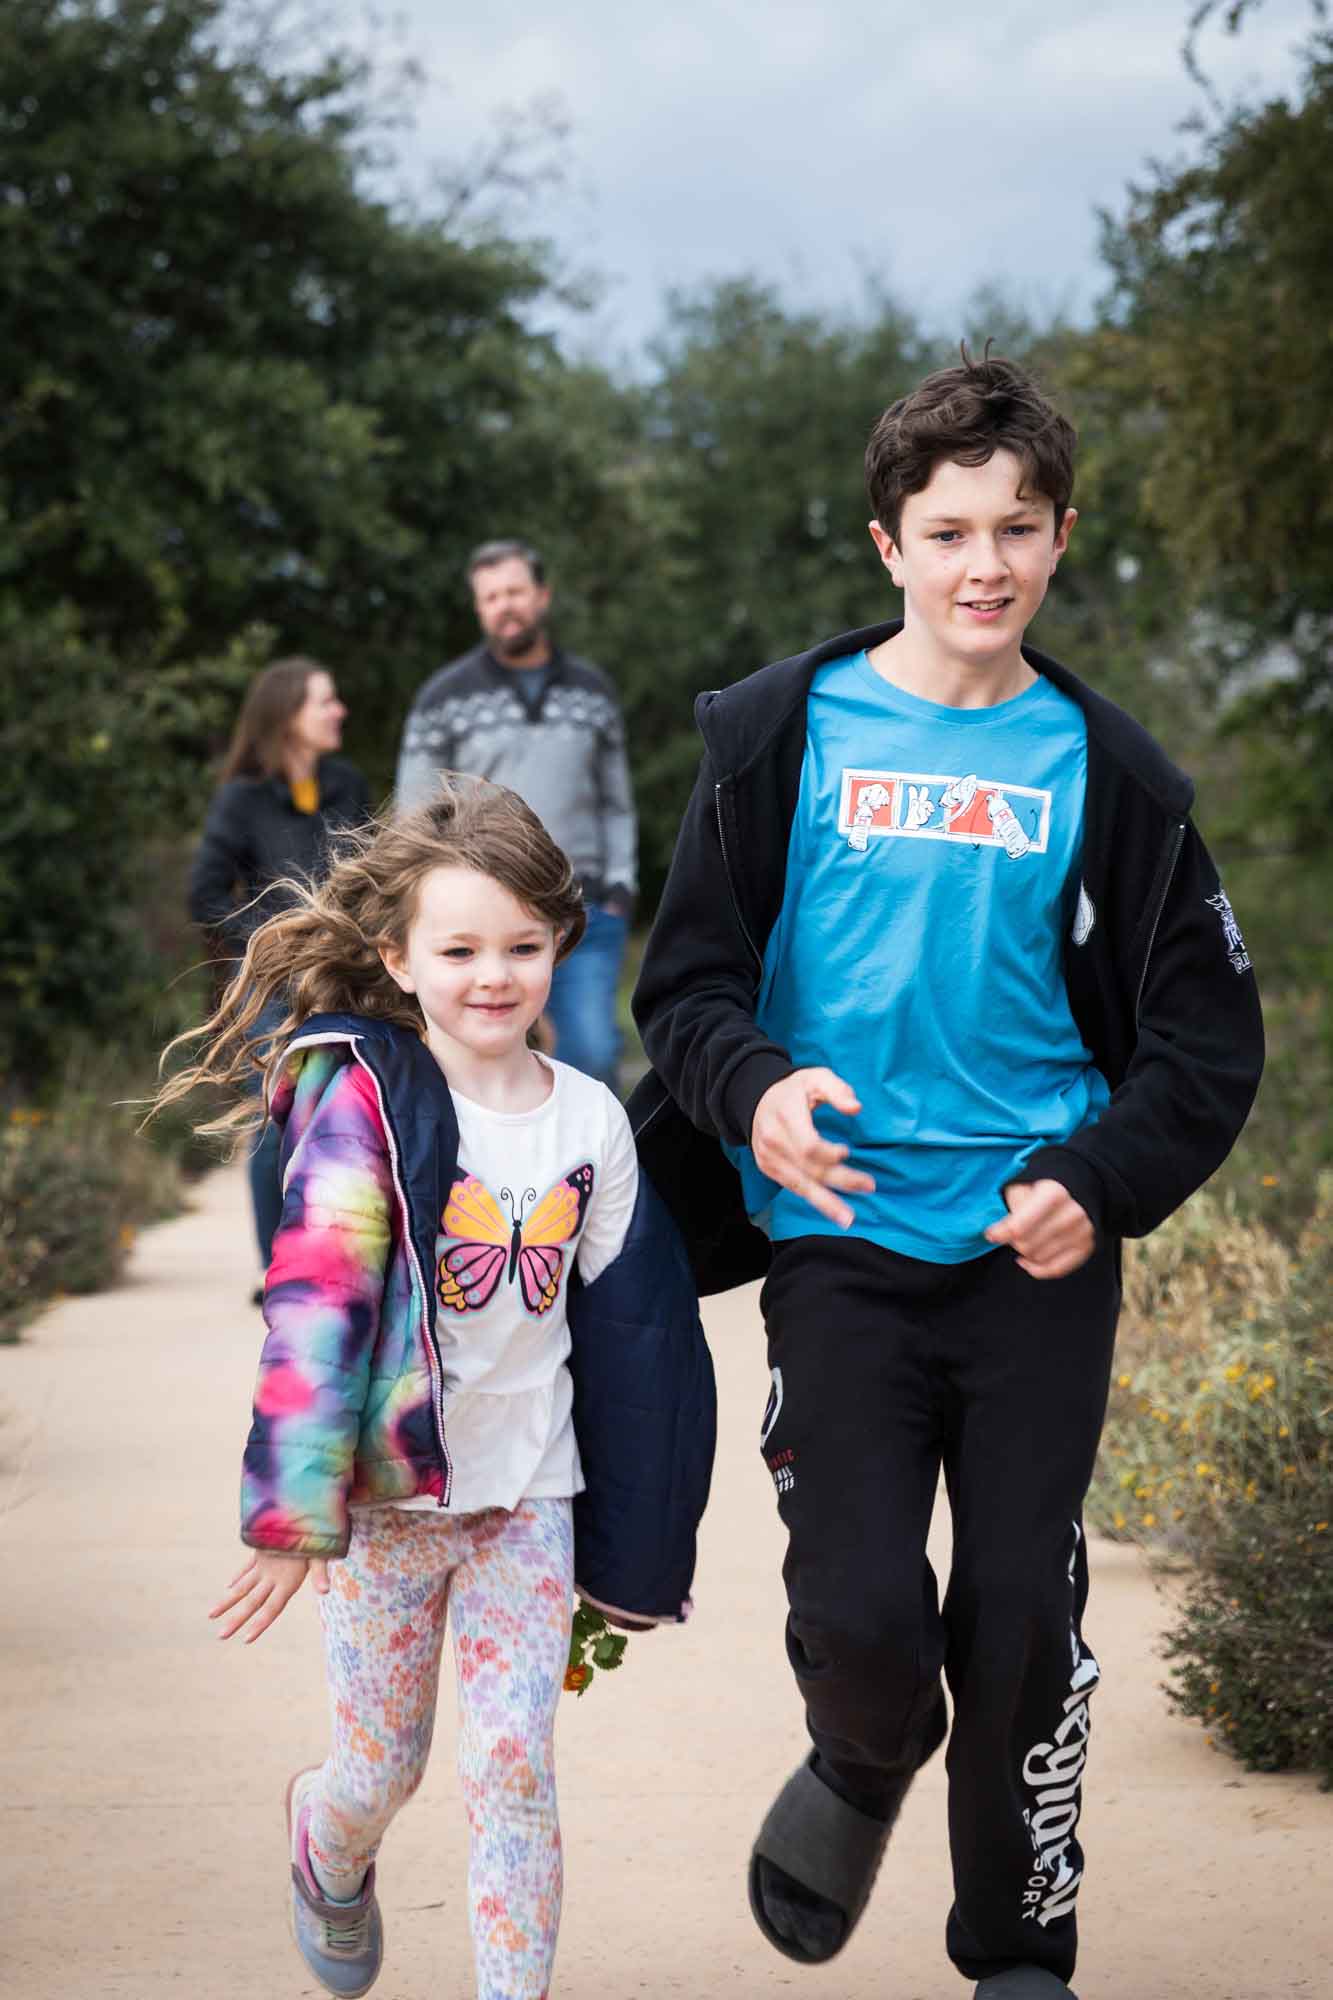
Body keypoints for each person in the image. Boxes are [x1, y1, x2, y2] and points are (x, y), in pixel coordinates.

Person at [629, 351, 1263, 2000]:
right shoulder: (779, 737)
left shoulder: (1111, 780)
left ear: (1058, 540)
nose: (982, 562)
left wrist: (1099, 1177)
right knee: (857, 1608)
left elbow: (1203, 1047)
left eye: (1017, 527)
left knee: (1016, 1623)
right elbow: (683, 991)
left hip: (1029, 1260)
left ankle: (1015, 1955)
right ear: (884, 545)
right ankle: (862, 1749)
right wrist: (752, 1090)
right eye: (947, 528)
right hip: (836, 1242)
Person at [157, 780, 713, 2000]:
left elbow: (639, 1341)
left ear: (559, 943)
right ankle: (327, 1841)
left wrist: (638, 1549)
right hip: (384, 1508)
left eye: (521, 944)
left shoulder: (592, 1123)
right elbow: (316, 1306)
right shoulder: (367, 1108)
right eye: (458, 947)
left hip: (529, 1496)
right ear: (399, 958)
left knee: (513, 1763)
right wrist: (294, 1516)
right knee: (380, 1770)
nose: (493, 975)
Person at [395, 540, 637, 1092]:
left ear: (542, 596)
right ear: (479, 608)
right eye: (491, 597)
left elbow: (616, 801)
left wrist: (622, 886)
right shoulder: (443, 698)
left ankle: (595, 1174)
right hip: (480, 914)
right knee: (481, 1067)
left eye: (515, 592)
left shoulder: (592, 692)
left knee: (593, 1055)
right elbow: (415, 810)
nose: (505, 606)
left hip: (584, 907)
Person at [187, 658, 371, 1292]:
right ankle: (278, 1268)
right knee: (275, 1119)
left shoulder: (347, 785)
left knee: (346, 1117)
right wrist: (267, 941)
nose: (338, 709)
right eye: (326, 700)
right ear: (289, 715)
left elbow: (373, 878)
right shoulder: (241, 799)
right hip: (270, 986)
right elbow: (205, 896)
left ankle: (339, 1254)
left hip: (345, 976)